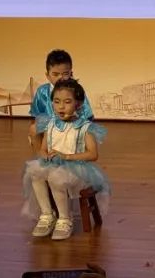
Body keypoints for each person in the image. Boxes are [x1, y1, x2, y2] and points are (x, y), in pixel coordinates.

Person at [23, 79, 109, 240]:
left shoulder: (84, 127)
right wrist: (44, 155)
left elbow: (92, 154)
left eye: (67, 102)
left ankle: (64, 219)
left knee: (56, 178)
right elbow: (43, 148)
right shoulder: (50, 124)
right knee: (35, 172)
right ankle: (47, 215)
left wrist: (67, 156)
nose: (61, 106)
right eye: (56, 102)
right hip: (54, 164)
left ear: (78, 104)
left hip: (76, 168)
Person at [30, 50, 94, 153]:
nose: (60, 78)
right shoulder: (42, 91)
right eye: (55, 74)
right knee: (34, 128)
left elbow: (87, 115)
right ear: (48, 75)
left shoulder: (76, 90)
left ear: (71, 73)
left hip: (72, 124)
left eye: (65, 74)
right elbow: (35, 116)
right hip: (49, 125)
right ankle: (41, 157)